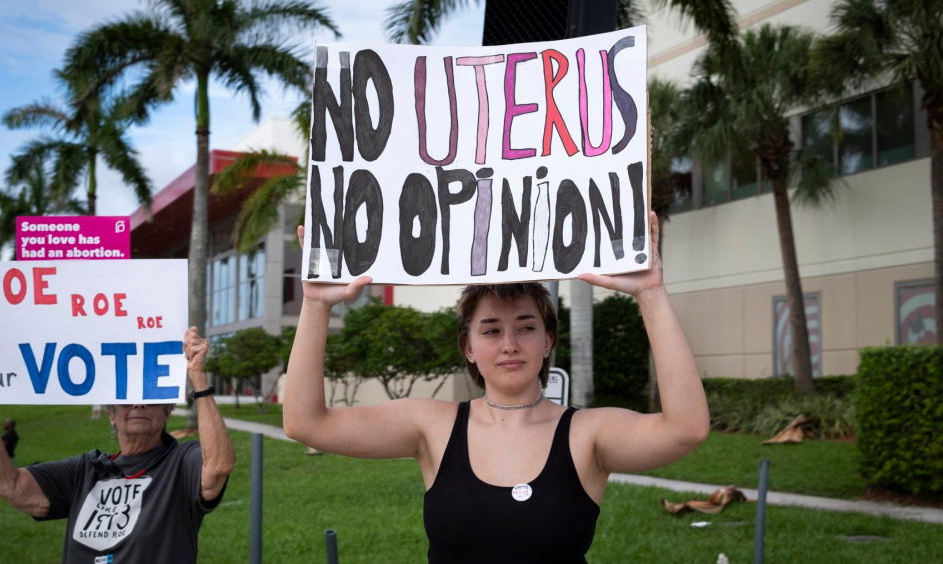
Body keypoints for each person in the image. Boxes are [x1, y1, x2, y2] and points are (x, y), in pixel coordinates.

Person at [283, 212, 710, 563]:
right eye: (491, 331)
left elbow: (686, 428)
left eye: (525, 327)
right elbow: (306, 423)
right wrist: (317, 305)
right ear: (468, 347)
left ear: (548, 341)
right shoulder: (432, 426)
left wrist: (651, 294)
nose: (509, 345)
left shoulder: (587, 435)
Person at [0, 327, 234, 564]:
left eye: (151, 396)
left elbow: (218, 467)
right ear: (110, 414)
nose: (138, 403)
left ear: (168, 410)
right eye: (125, 397)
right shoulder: (86, 470)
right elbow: (8, 486)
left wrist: (198, 377)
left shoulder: (181, 462)